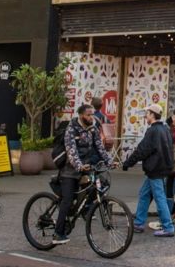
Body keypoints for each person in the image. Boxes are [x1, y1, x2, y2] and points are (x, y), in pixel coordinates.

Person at [55, 103, 113, 245]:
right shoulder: (71, 129)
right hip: (70, 170)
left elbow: (100, 148)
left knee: (101, 185)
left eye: (92, 114)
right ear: (81, 115)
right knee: (67, 200)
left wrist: (110, 161)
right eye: (88, 114)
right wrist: (79, 165)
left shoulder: (93, 128)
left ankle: (84, 209)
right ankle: (58, 233)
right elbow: (71, 151)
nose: (91, 117)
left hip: (86, 167)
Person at [123, 104, 175, 237]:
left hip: (155, 169)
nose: (145, 116)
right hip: (162, 168)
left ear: (152, 115)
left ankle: (168, 227)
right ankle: (139, 223)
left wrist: (128, 163)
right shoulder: (165, 129)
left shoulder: (152, 131)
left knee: (159, 198)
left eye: (147, 114)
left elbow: (142, 150)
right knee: (144, 194)